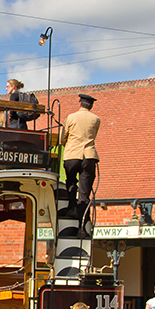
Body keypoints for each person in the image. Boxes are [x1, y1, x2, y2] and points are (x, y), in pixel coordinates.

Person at [61, 94, 100, 227]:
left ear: (80, 104)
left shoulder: (70, 117)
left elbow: (62, 138)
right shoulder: (96, 119)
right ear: (91, 106)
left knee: (71, 181)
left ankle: (72, 206)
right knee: (84, 194)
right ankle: (83, 224)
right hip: (89, 156)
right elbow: (93, 135)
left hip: (72, 155)